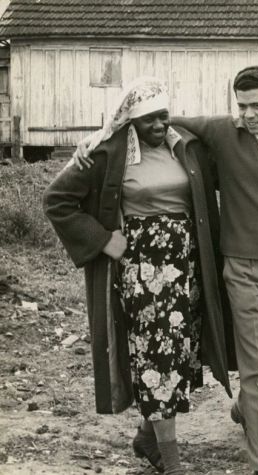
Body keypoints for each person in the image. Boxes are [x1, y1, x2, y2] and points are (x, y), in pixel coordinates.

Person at [74, 66, 258, 475]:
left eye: (257, 106)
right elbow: (157, 118)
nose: (247, 115)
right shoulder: (224, 132)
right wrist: (100, 137)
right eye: (241, 106)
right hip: (240, 268)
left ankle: (246, 406)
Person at [44, 77, 234, 475]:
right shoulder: (107, 154)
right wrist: (101, 240)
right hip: (143, 276)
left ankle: (149, 436)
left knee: (178, 356)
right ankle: (172, 460)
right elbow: (57, 200)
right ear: (130, 123)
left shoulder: (184, 144)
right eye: (148, 120)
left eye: (164, 116)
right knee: (158, 359)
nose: (159, 126)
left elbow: (216, 140)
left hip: (187, 269)